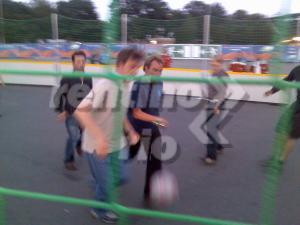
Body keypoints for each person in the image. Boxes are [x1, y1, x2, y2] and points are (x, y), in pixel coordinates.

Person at [74, 48, 144, 224]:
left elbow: (120, 113)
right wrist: (100, 138)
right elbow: (80, 112)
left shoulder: (127, 84)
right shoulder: (106, 85)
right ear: (120, 65)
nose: (135, 70)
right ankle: (99, 209)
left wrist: (130, 131)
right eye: (132, 66)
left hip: (118, 144)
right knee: (107, 185)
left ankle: (98, 182)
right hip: (97, 147)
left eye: (138, 67)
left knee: (122, 177)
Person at [128, 55, 168, 205]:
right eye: (154, 70)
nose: (157, 74)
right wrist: (158, 120)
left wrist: (157, 122)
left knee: (155, 159)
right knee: (127, 157)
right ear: (145, 69)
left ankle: (149, 193)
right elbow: (136, 113)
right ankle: (107, 179)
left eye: (160, 71)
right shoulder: (140, 84)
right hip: (135, 128)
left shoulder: (159, 83)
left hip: (151, 127)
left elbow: (154, 108)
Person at [55, 51, 93, 171]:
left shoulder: (88, 77)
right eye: (78, 61)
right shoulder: (67, 77)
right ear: (73, 63)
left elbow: (90, 94)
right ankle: (68, 160)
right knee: (73, 137)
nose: (81, 64)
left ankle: (78, 145)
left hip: (85, 114)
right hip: (71, 114)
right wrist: (61, 110)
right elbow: (60, 95)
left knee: (83, 135)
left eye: (83, 61)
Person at [265, 65, 300, 163]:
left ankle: (281, 160)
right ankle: (278, 156)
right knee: (281, 128)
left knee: (291, 135)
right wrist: (272, 90)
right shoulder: (297, 69)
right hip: (297, 104)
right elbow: (286, 80)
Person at [202, 57, 229, 165]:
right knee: (211, 127)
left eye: (216, 65)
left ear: (221, 64)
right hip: (211, 102)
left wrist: (216, 106)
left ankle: (211, 156)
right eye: (212, 65)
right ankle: (219, 146)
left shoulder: (222, 75)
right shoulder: (214, 73)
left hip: (217, 104)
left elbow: (222, 93)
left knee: (210, 129)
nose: (213, 67)